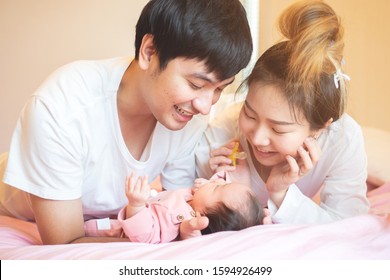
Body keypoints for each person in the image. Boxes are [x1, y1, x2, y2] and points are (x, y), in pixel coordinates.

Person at [0, 0, 252, 245]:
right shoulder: (62, 105)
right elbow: (65, 242)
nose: (206, 105)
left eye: (219, 88)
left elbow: (179, 206)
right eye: (196, 84)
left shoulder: (188, 114)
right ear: (149, 52)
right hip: (13, 206)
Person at [196, 0, 370, 224]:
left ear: (319, 129)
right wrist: (211, 178)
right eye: (249, 114)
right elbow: (185, 209)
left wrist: (281, 193)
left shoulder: (343, 140)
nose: (257, 138)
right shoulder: (226, 128)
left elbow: (349, 228)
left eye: (278, 129)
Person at [84, 171, 265, 243]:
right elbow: (221, 182)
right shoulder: (196, 199)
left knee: (85, 229)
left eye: (218, 186)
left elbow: (146, 236)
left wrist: (136, 205)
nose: (216, 181)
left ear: (201, 215)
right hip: (120, 214)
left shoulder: (177, 219)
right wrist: (210, 184)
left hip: (115, 230)